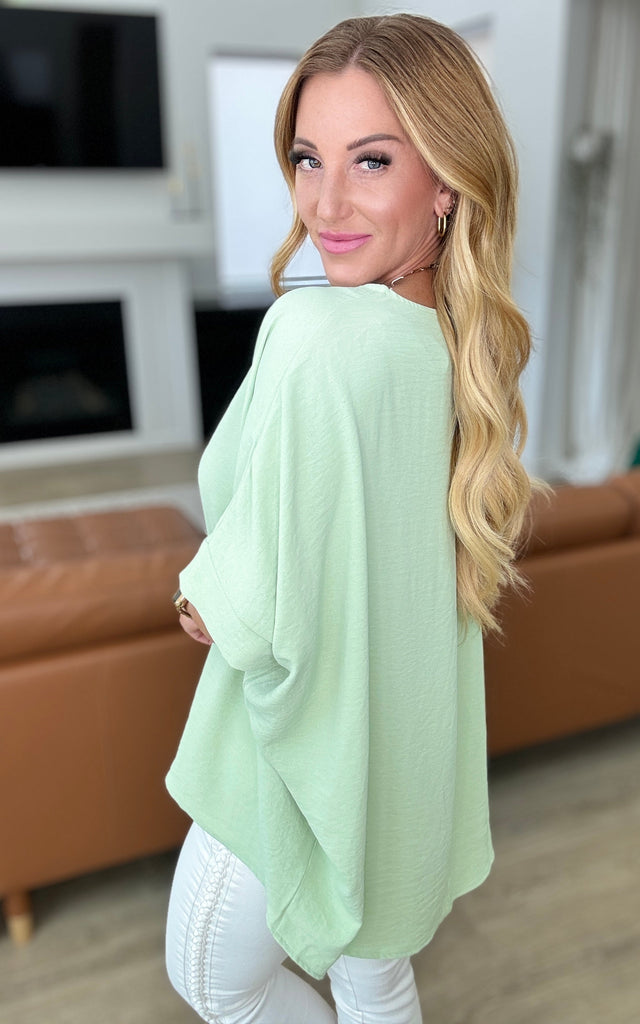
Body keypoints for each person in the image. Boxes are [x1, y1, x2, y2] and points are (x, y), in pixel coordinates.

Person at [165, 13, 535, 1024]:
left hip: (306, 743)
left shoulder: (316, 332)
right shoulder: (455, 345)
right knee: (375, 970)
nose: (324, 203)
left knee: (212, 977)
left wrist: (203, 598)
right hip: (400, 742)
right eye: (306, 158)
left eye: (370, 160)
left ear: (446, 181)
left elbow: (243, 599)